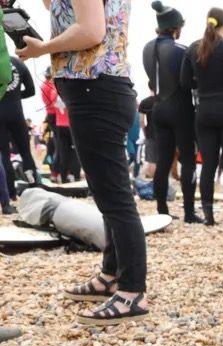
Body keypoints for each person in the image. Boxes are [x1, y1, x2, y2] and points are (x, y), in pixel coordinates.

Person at [18, 0, 149, 325]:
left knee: (114, 198)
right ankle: (111, 275)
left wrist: (43, 48)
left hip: (96, 89)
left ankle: (133, 291)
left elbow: (91, 30)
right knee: (107, 194)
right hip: (100, 88)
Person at [181, 7, 223, 226]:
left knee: (208, 164)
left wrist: (202, 82)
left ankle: (208, 216)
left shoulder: (193, 49)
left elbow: (185, 83)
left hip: (204, 110)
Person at [143, 1, 198, 220]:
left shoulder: (147, 48)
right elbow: (189, 82)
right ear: (175, 28)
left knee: (163, 160)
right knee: (187, 160)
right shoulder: (181, 49)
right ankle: (189, 212)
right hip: (180, 109)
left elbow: (151, 78)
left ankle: (162, 210)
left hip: (158, 108)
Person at [0, 56, 40, 196]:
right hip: (17, 114)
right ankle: (34, 187)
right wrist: (15, 96)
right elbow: (31, 90)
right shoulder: (18, 63)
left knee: (4, 156)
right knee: (26, 153)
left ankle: (10, 194)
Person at [39, 67, 60, 183]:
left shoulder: (44, 86)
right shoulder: (51, 86)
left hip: (50, 115)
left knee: (54, 144)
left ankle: (55, 171)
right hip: (55, 115)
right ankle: (57, 171)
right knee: (59, 144)